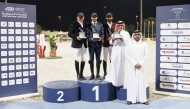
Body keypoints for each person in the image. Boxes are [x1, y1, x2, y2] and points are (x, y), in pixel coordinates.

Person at [126, 30, 149, 105]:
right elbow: (127, 55)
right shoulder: (129, 44)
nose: (137, 36)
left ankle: (143, 99)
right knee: (131, 82)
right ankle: (130, 99)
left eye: (138, 34)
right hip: (132, 66)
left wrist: (140, 63)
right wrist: (135, 63)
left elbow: (146, 55)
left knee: (142, 82)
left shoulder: (144, 44)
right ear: (133, 36)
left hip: (141, 66)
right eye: (135, 34)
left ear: (140, 35)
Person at [105, 20, 131, 87]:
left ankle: (119, 81)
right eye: (119, 25)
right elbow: (110, 42)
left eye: (121, 25)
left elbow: (129, 43)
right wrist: (112, 40)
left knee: (121, 66)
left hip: (122, 51)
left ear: (123, 26)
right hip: (115, 51)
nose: (120, 26)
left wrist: (123, 40)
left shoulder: (126, 33)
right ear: (117, 26)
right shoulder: (114, 33)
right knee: (113, 63)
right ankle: (112, 78)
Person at [68, 12, 87, 81]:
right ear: (77, 17)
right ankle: (78, 75)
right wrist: (76, 37)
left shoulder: (85, 24)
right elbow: (69, 34)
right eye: (79, 17)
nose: (81, 18)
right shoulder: (73, 24)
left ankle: (81, 74)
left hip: (84, 44)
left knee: (84, 59)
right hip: (77, 44)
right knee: (77, 59)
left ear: (84, 17)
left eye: (82, 17)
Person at [86, 13, 104, 80]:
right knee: (91, 60)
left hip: (98, 45)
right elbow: (87, 35)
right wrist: (91, 39)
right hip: (91, 45)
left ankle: (98, 74)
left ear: (97, 17)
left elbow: (102, 34)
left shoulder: (100, 25)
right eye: (93, 17)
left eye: (95, 17)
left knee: (98, 60)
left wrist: (101, 38)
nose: (94, 18)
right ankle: (92, 74)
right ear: (91, 17)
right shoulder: (88, 25)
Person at [102, 13, 116, 79]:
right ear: (106, 18)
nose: (109, 18)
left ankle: (112, 72)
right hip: (105, 44)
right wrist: (106, 38)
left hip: (112, 44)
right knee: (105, 59)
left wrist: (114, 38)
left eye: (110, 17)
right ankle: (105, 72)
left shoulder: (115, 25)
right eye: (108, 17)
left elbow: (116, 33)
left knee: (112, 59)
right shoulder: (103, 25)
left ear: (112, 17)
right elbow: (102, 33)